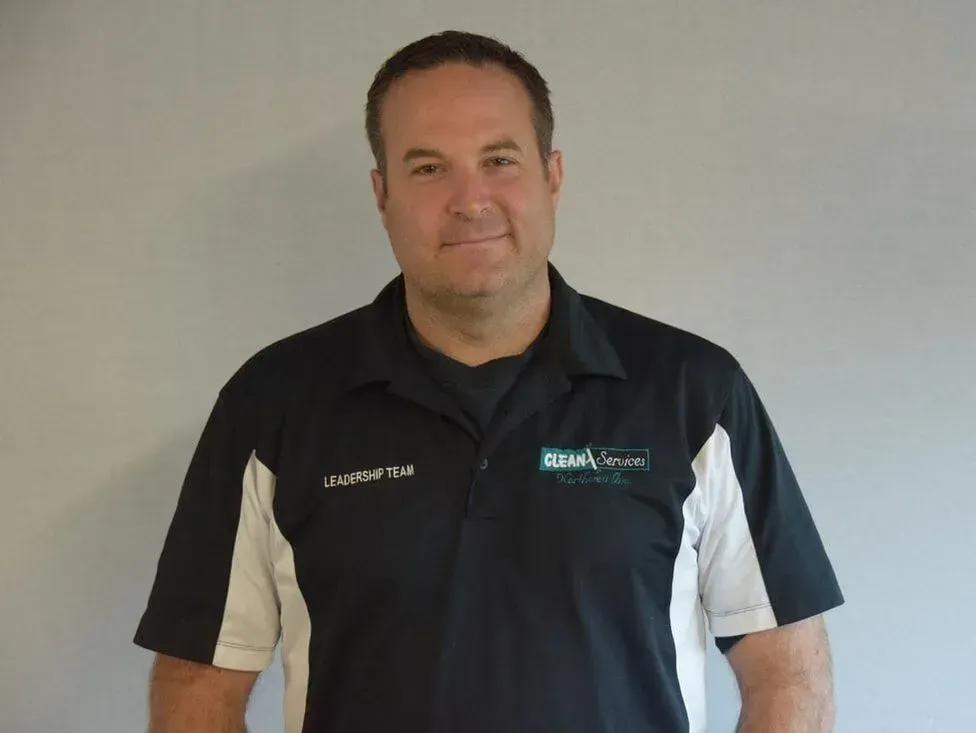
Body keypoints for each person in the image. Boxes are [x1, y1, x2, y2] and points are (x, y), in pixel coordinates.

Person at [134, 30, 844, 733]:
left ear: (552, 174)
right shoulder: (274, 404)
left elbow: (788, 666)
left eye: (499, 159)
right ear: (381, 194)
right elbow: (199, 682)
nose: (470, 201)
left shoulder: (692, 392)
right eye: (428, 168)